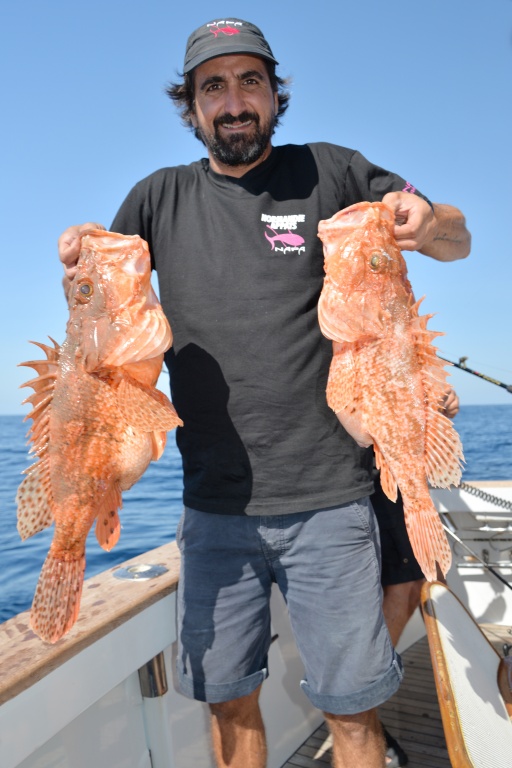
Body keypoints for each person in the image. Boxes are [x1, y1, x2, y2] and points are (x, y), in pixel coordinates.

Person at [58, 19, 471, 768]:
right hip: (213, 508)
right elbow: (103, 324)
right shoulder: (157, 197)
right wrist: (81, 263)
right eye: (213, 86)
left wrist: (430, 219)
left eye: (251, 81)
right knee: (229, 702)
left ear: (276, 95)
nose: (234, 100)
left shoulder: (332, 171)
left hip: (330, 501)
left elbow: (455, 236)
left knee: (352, 712)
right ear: (191, 107)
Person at [374, 388, 461, 767]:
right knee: (408, 583)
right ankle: (363, 711)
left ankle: (363, 705)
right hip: (362, 473)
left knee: (417, 581)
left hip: (394, 465)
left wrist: (435, 400)